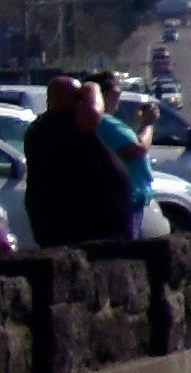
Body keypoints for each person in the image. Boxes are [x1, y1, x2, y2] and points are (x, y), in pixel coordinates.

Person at [24, 75, 138, 252]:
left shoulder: (48, 126)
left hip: (96, 223)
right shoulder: (56, 125)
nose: (81, 101)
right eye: (78, 96)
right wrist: (93, 89)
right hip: (86, 227)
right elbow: (93, 113)